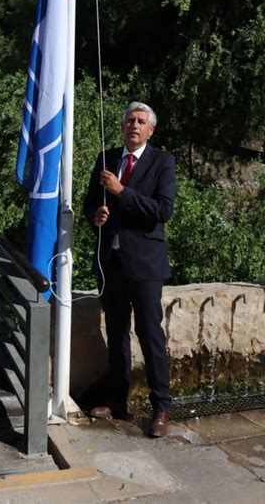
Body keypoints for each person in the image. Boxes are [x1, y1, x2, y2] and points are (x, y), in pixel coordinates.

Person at [83, 101, 176, 437]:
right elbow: (89, 204)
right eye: (129, 120)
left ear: (150, 130)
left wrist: (122, 192)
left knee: (150, 334)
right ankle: (117, 400)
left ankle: (161, 407)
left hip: (147, 265)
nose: (134, 125)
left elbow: (163, 210)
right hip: (112, 262)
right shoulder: (106, 159)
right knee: (117, 332)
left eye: (141, 121)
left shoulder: (162, 161)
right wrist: (96, 217)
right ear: (122, 126)